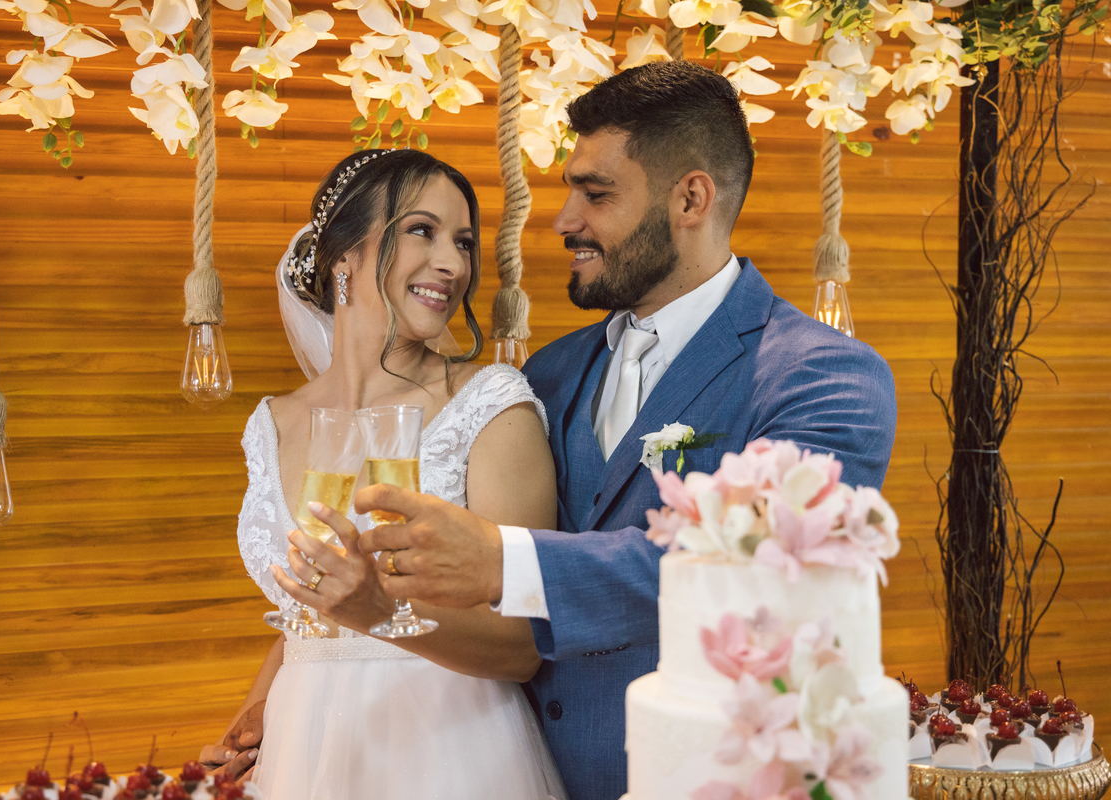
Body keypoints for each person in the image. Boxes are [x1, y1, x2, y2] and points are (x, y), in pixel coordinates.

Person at [346, 61, 899, 800]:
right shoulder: (548, 374)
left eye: (596, 193)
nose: (564, 220)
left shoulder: (826, 377)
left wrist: (501, 560)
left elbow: (755, 570)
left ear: (691, 198)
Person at [200, 148, 568, 800]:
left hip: (451, 747)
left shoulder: (489, 404)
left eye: (463, 242)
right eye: (423, 230)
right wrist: (257, 712)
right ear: (345, 254)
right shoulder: (272, 422)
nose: (453, 265)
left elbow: (524, 646)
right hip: (306, 744)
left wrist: (384, 611)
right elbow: (309, 610)